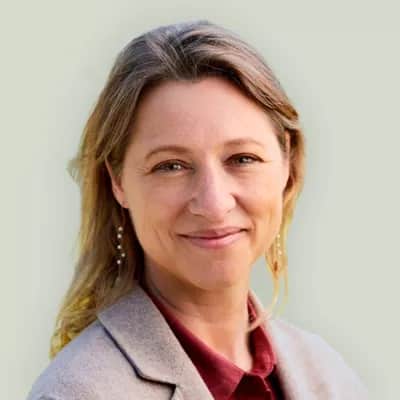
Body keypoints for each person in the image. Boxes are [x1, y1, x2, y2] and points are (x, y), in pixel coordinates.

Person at [26, 20, 368, 399]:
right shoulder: (77, 391)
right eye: (171, 166)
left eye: (242, 158)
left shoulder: (330, 377)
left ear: (287, 161)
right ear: (118, 181)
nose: (214, 204)